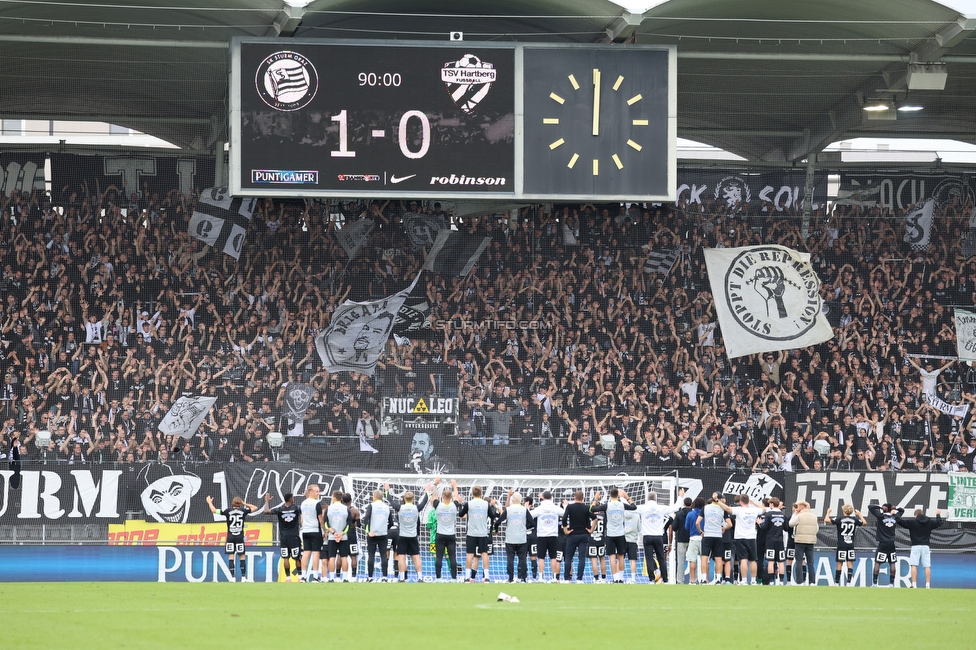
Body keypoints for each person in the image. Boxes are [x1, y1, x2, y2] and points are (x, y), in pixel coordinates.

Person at [590, 487, 638, 584]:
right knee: (621, 556)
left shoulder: (607, 505)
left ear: (610, 495)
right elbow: (634, 507)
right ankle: (621, 578)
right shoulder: (622, 505)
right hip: (621, 534)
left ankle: (615, 578)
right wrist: (626, 497)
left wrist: (595, 499)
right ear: (618, 495)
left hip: (610, 534)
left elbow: (592, 509)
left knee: (612, 557)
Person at [206, 495, 259, 583]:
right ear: (240, 504)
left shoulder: (227, 511)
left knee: (231, 557)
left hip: (230, 537)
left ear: (232, 503)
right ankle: (243, 577)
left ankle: (233, 577)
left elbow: (213, 510)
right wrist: (244, 503)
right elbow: (255, 508)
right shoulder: (243, 511)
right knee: (242, 556)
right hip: (239, 537)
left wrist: (210, 502)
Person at [716, 493, 765, 585]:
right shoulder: (754, 510)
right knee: (753, 560)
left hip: (741, 538)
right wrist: (753, 503)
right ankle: (753, 580)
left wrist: (717, 501)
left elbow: (727, 509)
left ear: (740, 502)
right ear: (748, 501)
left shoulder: (739, 510)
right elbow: (764, 509)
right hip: (752, 537)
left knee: (743, 560)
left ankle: (744, 580)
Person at [635, 490, 683, 584]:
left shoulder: (643, 508)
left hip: (647, 536)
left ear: (647, 498)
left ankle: (652, 579)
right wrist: (680, 496)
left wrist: (624, 498)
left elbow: (630, 508)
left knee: (649, 558)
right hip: (658, 536)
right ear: (656, 499)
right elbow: (676, 507)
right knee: (661, 558)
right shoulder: (661, 508)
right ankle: (665, 579)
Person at [391, 481, 433, 582]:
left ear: (404, 499)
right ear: (413, 499)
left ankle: (401, 578)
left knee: (401, 557)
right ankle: (419, 577)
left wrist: (387, 491)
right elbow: (424, 501)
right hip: (413, 536)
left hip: (402, 536)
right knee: (416, 557)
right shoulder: (416, 508)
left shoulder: (400, 508)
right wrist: (427, 491)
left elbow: (391, 502)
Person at [897, 508, 944, 588]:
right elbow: (939, 523)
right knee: (927, 566)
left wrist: (896, 514)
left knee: (914, 565)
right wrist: (938, 514)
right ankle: (928, 584)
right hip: (926, 546)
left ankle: (914, 584)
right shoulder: (929, 522)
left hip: (915, 546)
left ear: (916, 515)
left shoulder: (913, 522)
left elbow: (900, 521)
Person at [459, 485, 498, 583]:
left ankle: (467, 577)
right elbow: (493, 516)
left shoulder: (469, 504)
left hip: (471, 533)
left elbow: (460, 514)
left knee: (470, 554)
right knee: (484, 554)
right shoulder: (485, 504)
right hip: (483, 533)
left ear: (472, 493)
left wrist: (459, 504)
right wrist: (492, 506)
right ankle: (487, 577)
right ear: (481, 494)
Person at [263, 491, 302, 582]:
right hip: (294, 537)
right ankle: (300, 577)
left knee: (285, 557)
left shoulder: (280, 509)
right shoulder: (296, 508)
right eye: (293, 498)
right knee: (297, 557)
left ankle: (288, 578)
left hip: (284, 538)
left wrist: (267, 501)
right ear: (291, 499)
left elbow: (266, 511)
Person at [824, 504, 867, 586]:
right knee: (850, 563)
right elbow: (864, 523)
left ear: (844, 511)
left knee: (839, 563)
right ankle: (849, 582)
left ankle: (836, 582)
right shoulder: (854, 519)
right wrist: (860, 515)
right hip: (850, 544)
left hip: (841, 545)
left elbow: (826, 520)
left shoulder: (839, 519)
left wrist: (828, 512)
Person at [497, 489, 534, 583]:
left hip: (510, 538)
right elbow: (532, 523)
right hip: (521, 538)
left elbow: (498, 522)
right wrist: (524, 527)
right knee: (522, 559)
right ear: (521, 500)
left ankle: (510, 578)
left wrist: (495, 530)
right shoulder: (524, 510)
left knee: (510, 559)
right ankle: (523, 578)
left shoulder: (508, 510)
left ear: (512, 500)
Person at [561, 489, 597, 583]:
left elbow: (564, 518)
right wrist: (591, 530)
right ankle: (579, 579)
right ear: (583, 498)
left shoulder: (570, 507)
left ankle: (566, 578)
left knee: (568, 557)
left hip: (572, 534)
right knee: (581, 557)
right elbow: (595, 519)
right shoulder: (586, 507)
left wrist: (565, 530)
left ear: (574, 498)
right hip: (584, 535)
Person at [867, 502, 905, 587]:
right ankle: (891, 584)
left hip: (882, 543)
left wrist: (881, 507)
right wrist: (895, 507)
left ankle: (874, 583)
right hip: (891, 543)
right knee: (892, 563)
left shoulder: (881, 517)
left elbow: (870, 507)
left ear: (884, 509)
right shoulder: (895, 517)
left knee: (878, 562)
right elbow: (902, 510)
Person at [432, 479, 462, 581]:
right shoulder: (454, 506)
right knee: (452, 557)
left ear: (443, 497)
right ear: (451, 497)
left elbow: (434, 497)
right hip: (451, 535)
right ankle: (454, 578)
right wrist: (454, 486)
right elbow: (457, 498)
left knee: (439, 557)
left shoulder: (438, 506)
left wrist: (435, 484)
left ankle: (438, 578)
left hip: (440, 535)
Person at [531, 490, 564, 582]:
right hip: (553, 535)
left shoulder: (540, 508)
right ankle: (554, 577)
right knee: (553, 557)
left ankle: (541, 577)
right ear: (551, 497)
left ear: (543, 498)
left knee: (541, 557)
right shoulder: (555, 508)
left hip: (542, 535)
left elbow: (530, 515)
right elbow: (565, 514)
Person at [363, 489, 395, 582]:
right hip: (383, 534)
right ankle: (385, 577)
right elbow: (391, 522)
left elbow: (366, 519)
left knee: (371, 555)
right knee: (383, 556)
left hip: (372, 534)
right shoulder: (386, 507)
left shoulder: (371, 506)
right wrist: (385, 529)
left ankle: (370, 577)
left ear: (374, 497)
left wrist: (368, 531)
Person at [699, 495, 729, 584]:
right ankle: (718, 579)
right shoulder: (723, 509)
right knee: (718, 558)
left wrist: (701, 531)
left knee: (704, 558)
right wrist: (724, 528)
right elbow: (730, 524)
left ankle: (704, 578)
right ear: (719, 499)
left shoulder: (705, 508)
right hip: (718, 536)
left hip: (707, 535)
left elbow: (697, 522)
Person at [325, 489, 352, 582]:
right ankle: (344, 578)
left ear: (334, 497)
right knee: (344, 557)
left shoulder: (329, 508)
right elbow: (349, 524)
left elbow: (325, 523)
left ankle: (332, 578)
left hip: (332, 537)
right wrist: (342, 533)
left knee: (332, 557)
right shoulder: (346, 509)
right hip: (343, 537)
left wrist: (333, 532)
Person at [789, 501, 818, 586]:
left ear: (801, 507)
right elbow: (816, 529)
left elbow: (790, 524)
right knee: (810, 562)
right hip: (811, 541)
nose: (796, 508)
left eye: (797, 507)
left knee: (798, 561)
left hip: (800, 541)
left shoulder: (799, 516)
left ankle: (799, 582)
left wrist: (795, 514)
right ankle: (812, 582)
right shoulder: (814, 516)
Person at [299, 484, 325, 582]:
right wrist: (325, 531)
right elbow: (321, 520)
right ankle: (315, 576)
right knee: (315, 553)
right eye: (316, 491)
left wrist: (303, 526)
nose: (318, 493)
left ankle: (303, 576)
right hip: (314, 530)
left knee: (306, 552)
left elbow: (301, 518)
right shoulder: (316, 503)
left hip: (305, 530)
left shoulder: (303, 503)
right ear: (311, 492)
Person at [760, 497, 787, 585]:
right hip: (780, 540)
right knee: (781, 562)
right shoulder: (783, 515)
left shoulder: (768, 514)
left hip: (770, 541)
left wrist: (759, 523)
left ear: (771, 504)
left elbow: (764, 527)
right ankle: (781, 581)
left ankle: (771, 581)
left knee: (770, 561)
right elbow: (786, 528)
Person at [587, 491, 608, 583]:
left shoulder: (589, 515)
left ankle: (596, 579)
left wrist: (595, 499)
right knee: (602, 558)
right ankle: (603, 579)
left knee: (594, 560)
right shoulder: (603, 515)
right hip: (601, 539)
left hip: (592, 539)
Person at [672, 496, 693, 584]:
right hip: (691, 539)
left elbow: (674, 528)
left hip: (681, 540)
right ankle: (693, 580)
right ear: (691, 504)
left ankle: (680, 581)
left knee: (680, 562)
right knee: (692, 560)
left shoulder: (679, 514)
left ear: (684, 504)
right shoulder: (693, 514)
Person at [685, 497, 705, 585]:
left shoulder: (690, 514)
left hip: (693, 539)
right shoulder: (705, 514)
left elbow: (686, 527)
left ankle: (692, 580)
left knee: (692, 560)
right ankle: (705, 579)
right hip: (704, 538)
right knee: (704, 560)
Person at [623, 506, 641, 584]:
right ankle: (633, 579)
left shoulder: (621, 514)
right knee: (633, 560)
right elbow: (639, 529)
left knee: (620, 559)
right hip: (633, 540)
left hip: (622, 540)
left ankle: (619, 578)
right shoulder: (637, 515)